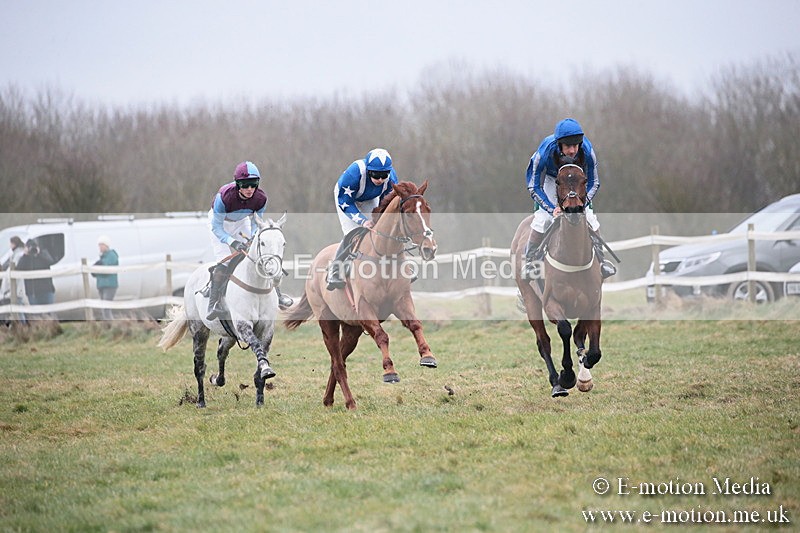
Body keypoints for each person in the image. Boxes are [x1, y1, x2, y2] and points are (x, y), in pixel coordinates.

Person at [522, 118, 616, 280]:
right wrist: (552, 209)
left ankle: (602, 262)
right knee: (542, 219)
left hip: (577, 178)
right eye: (567, 146)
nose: (572, 151)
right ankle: (531, 262)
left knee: (590, 218)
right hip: (552, 179)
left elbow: (594, 183)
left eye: (575, 145)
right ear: (559, 144)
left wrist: (582, 204)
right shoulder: (544, 152)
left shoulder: (587, 151)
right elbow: (533, 185)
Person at [207, 160, 293, 320]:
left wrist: (253, 237)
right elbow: (217, 228)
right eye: (245, 185)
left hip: (242, 222)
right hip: (219, 224)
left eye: (253, 184)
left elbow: (256, 223)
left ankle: (278, 295)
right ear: (237, 184)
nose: (249, 189)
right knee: (225, 260)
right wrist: (233, 242)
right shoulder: (224, 198)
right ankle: (213, 304)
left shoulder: (261, 198)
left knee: (260, 255)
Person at [326, 148, 399, 290]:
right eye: (376, 175)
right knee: (353, 232)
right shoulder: (354, 174)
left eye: (384, 175)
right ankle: (335, 269)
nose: (380, 179)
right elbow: (345, 202)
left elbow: (386, 203)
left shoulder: (391, 180)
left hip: (370, 198)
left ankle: (398, 265)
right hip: (346, 199)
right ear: (368, 170)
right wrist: (362, 221)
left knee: (380, 230)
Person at [15, 239, 56, 306]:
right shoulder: (26, 259)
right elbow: (18, 269)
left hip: (47, 290)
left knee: (49, 311)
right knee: (36, 312)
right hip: (33, 292)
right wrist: (25, 255)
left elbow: (51, 262)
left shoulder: (43, 254)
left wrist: (39, 253)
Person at [91, 235, 119, 320]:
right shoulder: (102, 257)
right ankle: (107, 324)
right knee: (103, 307)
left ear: (106, 245)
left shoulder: (112, 256)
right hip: (102, 285)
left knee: (106, 307)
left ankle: (110, 324)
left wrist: (96, 268)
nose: (100, 247)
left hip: (109, 285)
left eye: (102, 245)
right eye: (99, 245)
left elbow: (106, 268)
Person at [0, 236, 25, 304]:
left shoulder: (18, 255)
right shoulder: (16, 254)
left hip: (17, 287)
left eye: (11, 243)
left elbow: (13, 268)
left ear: (14, 244)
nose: (10, 245)